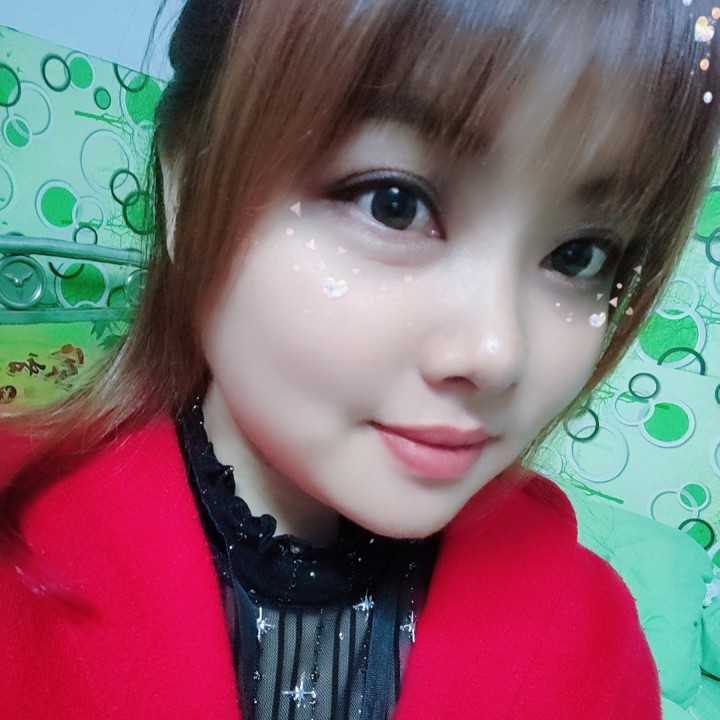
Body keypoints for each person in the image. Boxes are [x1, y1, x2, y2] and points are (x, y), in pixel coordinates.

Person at [1, 0, 718, 718]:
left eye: (578, 256)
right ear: (188, 185)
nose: (498, 353)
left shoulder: (596, 640)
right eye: (393, 204)